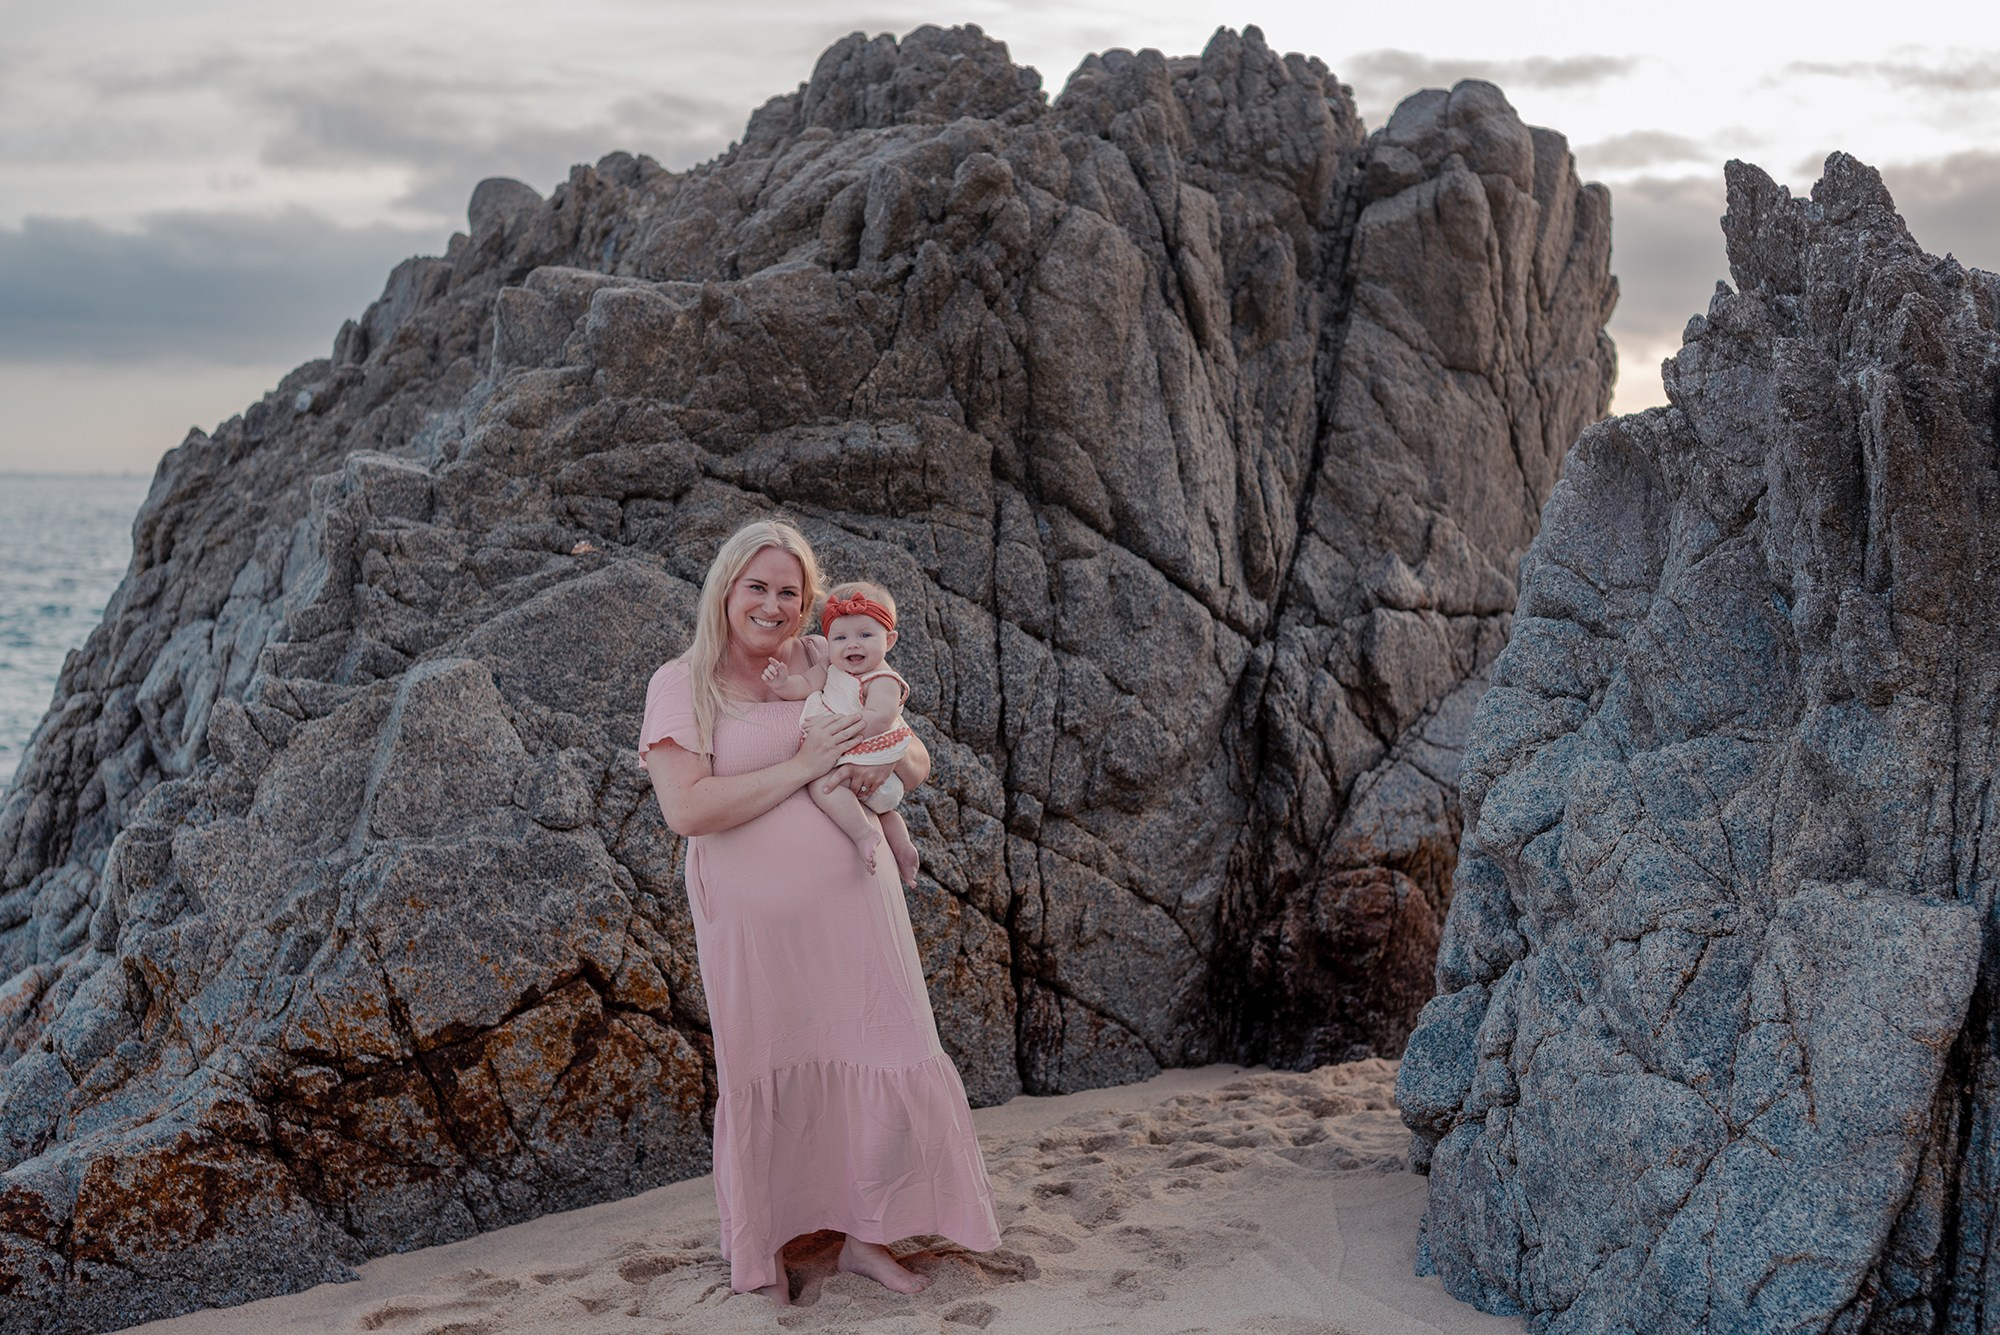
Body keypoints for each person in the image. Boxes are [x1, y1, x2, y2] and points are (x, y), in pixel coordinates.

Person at [637, 519, 1001, 1304]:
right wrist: (805, 762)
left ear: (809, 603)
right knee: (769, 1065)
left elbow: (915, 756)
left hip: (855, 901)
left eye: (789, 591)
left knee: (881, 1048)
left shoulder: (818, 657)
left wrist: (889, 754)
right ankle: (768, 1248)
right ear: (727, 590)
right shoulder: (683, 681)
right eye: (757, 587)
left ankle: (867, 1239)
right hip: (754, 930)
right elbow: (687, 808)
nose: (772, 605)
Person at [760, 579, 922, 887]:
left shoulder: (883, 679)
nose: (852, 644)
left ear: (889, 640)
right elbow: (804, 685)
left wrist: (831, 729)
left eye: (865, 635)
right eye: (841, 637)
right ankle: (902, 850)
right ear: (828, 640)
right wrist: (782, 683)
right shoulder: (829, 666)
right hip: (861, 777)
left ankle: (862, 833)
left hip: (873, 763)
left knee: (823, 785)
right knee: (885, 812)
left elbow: (880, 717)